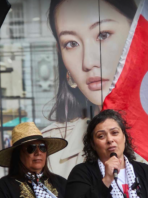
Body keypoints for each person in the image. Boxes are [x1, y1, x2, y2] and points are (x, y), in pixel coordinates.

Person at [42, 0, 140, 178]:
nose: (87, 62)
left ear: (137, 35)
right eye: (71, 44)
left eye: (103, 35)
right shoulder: (45, 152)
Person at [65, 109, 148, 198]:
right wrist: (106, 180)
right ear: (93, 144)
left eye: (114, 133)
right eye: (101, 136)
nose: (110, 140)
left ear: (124, 137)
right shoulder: (81, 173)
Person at [0, 122, 68, 198]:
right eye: (31, 148)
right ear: (18, 154)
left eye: (42, 147)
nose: (38, 152)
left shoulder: (61, 183)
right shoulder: (5, 186)